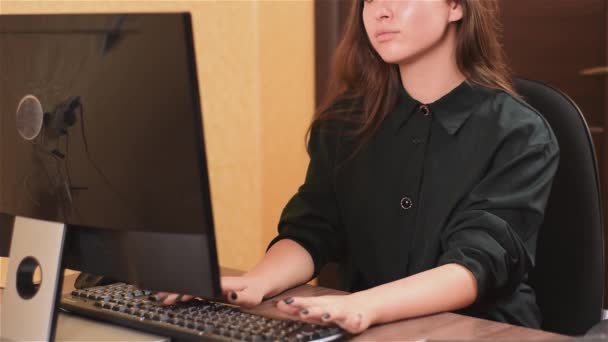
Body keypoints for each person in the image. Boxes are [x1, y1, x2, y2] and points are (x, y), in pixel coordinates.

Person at [160, 0, 559, 334]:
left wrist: (368, 306)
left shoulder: (519, 132)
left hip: (480, 331)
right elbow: (313, 228)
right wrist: (255, 282)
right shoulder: (345, 122)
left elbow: (477, 263)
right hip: (369, 326)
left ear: (456, 5)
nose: (379, 12)